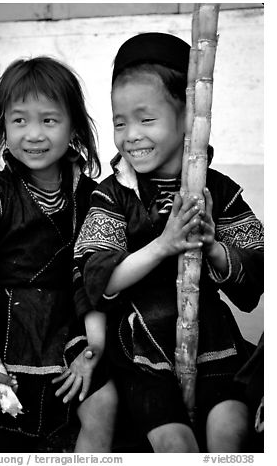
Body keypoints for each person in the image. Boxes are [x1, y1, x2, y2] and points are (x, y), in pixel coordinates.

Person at [74, 33, 264, 453]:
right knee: (175, 445)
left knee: (230, 431)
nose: (130, 135)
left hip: (216, 347)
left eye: (146, 119)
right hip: (141, 355)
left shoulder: (219, 191)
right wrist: (164, 244)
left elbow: (255, 277)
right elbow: (98, 281)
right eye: (119, 122)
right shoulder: (113, 194)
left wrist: (213, 247)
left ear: (190, 116)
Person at [0, 56, 117, 453]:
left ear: (74, 127)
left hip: (72, 333)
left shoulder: (93, 196)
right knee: (6, 434)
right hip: (8, 335)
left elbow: (95, 276)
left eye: (48, 120)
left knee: (104, 404)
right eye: (19, 121)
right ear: (3, 128)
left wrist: (93, 350)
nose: (33, 134)